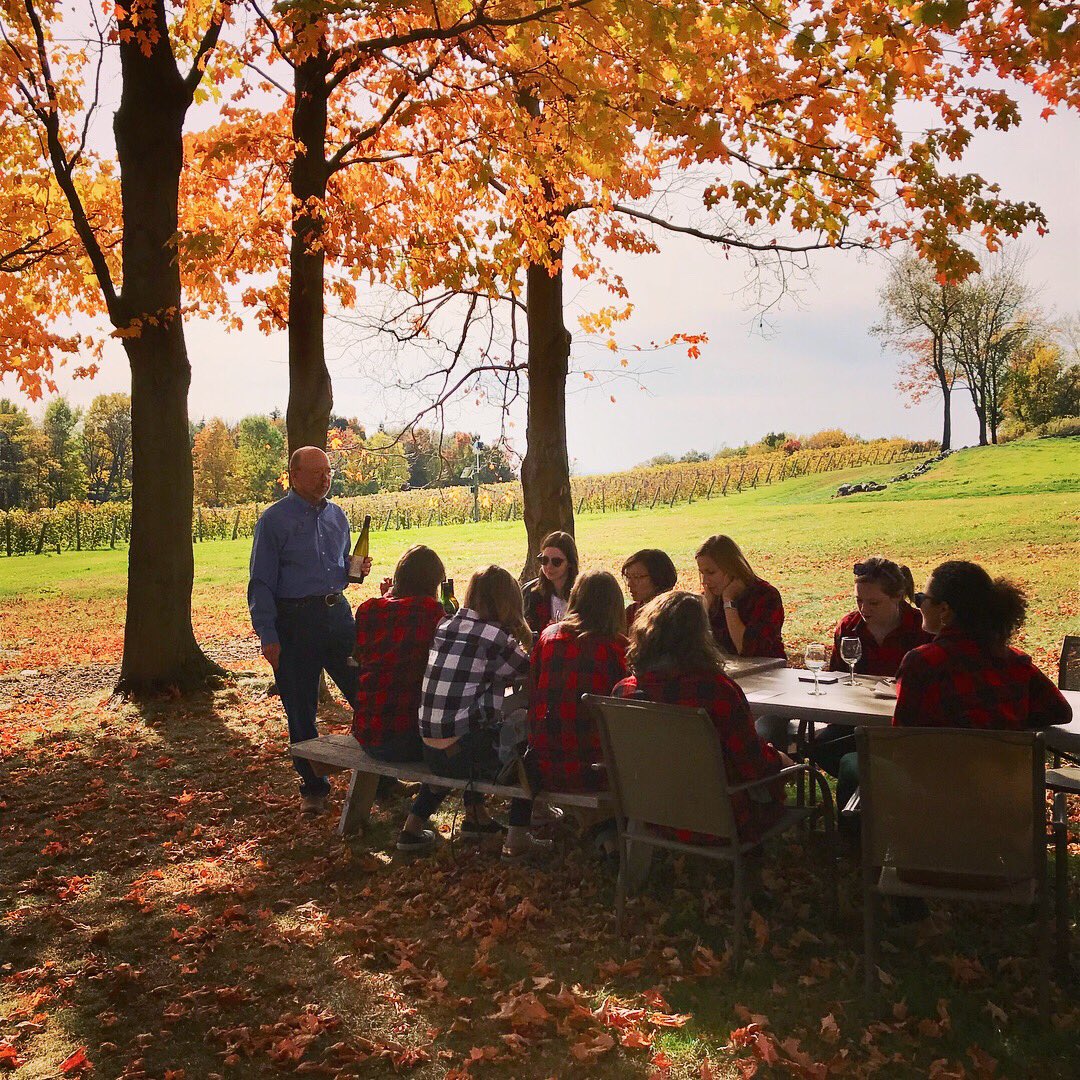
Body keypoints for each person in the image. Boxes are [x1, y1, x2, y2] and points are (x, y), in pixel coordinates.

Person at [397, 565, 550, 861]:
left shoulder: (445, 625)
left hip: (430, 748)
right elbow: (530, 673)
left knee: (476, 723)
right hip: (462, 753)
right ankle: (517, 839)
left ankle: (414, 827)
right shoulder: (493, 635)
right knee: (524, 743)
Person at [248, 446, 371, 814]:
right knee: (300, 708)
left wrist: (355, 571)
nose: (325, 478)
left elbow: (342, 570)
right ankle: (314, 786)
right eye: (317, 472)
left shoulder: (338, 516)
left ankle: (381, 775)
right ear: (294, 475)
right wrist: (268, 635)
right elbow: (261, 583)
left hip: (337, 616)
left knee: (364, 692)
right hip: (294, 623)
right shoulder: (274, 520)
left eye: (329, 471)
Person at [612, 591, 787, 844]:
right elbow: (753, 765)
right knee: (772, 733)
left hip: (652, 814)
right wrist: (781, 760)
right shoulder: (715, 690)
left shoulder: (624, 690)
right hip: (723, 820)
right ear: (700, 636)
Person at [812, 558, 932, 810]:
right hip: (858, 719)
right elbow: (837, 677)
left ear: (898, 596)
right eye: (859, 601)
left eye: (874, 602)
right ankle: (868, 789)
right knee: (818, 747)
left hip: (904, 723)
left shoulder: (920, 628)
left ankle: (872, 794)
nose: (864, 609)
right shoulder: (850, 627)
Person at [894, 560, 1072, 730]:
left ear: (944, 609)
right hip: (1007, 761)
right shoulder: (1015, 662)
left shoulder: (922, 663)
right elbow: (1060, 711)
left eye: (921, 598)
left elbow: (902, 736)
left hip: (940, 760)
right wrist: (1004, 720)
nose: (919, 606)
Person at [528, 571, 629, 791]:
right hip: (596, 769)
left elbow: (534, 686)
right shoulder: (616, 647)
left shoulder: (549, 637)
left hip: (542, 764)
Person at [352, 545, 446, 763]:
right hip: (406, 737)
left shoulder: (368, 609)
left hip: (367, 733)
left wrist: (387, 595)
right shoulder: (431, 612)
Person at [695, 534, 786, 659]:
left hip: (767, 671)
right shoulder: (711, 597)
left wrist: (729, 602)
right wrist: (704, 609)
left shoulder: (766, 596)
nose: (705, 581)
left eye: (711, 572)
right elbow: (690, 648)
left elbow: (746, 649)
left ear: (731, 569)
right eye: (702, 573)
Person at [522, 530, 579, 635]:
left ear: (570, 563)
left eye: (556, 562)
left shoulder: (581, 594)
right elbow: (526, 633)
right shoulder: (531, 593)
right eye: (544, 560)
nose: (548, 566)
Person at [621, 548, 678, 629]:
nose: (629, 583)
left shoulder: (676, 613)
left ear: (659, 578)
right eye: (628, 577)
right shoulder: (631, 612)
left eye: (637, 577)